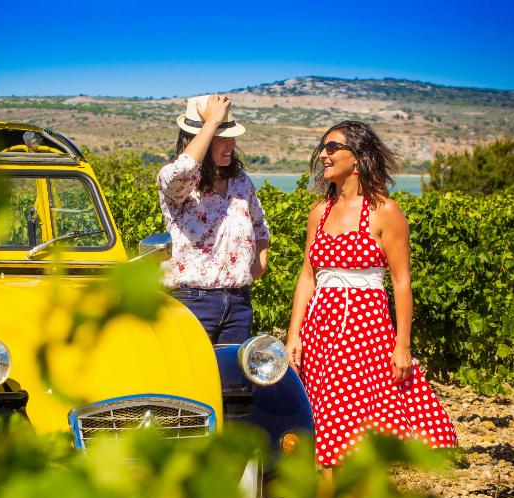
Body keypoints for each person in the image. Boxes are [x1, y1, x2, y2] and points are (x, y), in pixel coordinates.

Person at [285, 120, 457, 468]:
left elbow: (401, 282)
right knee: (324, 414)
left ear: (358, 158)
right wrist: (293, 335)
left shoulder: (385, 211)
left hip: (363, 332)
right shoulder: (318, 212)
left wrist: (403, 345)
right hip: (319, 331)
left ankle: (346, 487)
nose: (324, 155)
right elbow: (307, 276)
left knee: (346, 416)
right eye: (323, 147)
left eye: (332, 147)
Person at [157, 94, 269, 344]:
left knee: (231, 371)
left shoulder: (241, 182)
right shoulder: (176, 184)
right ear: (198, 138)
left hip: (239, 304)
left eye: (231, 137)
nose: (231, 144)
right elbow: (184, 169)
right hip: (191, 302)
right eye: (221, 138)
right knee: (190, 369)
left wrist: (259, 265)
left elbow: (260, 227)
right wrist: (211, 123)